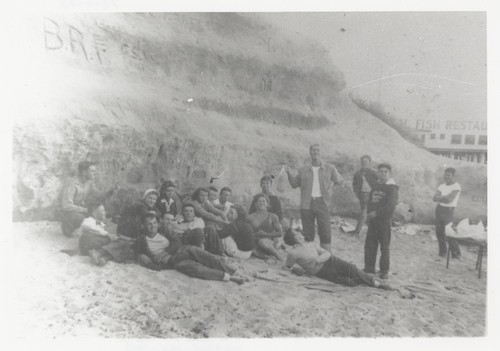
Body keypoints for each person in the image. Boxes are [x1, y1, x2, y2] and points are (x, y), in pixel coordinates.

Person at [136, 213, 247, 284]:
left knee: (205, 256)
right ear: (143, 226)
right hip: (172, 261)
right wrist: (149, 260)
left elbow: (176, 241)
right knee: (197, 269)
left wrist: (164, 252)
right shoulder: (142, 240)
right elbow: (138, 254)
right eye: (149, 224)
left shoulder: (164, 230)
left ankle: (234, 271)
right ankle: (230, 278)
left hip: (181, 250)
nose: (153, 226)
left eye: (155, 223)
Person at [284, 227, 390, 289]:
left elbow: (327, 253)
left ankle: (376, 284)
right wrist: (295, 269)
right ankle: (369, 280)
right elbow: (287, 267)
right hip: (320, 271)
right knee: (349, 282)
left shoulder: (310, 243)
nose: (299, 232)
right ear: (295, 237)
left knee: (351, 268)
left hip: (330, 261)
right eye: (296, 232)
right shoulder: (293, 253)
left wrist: (318, 259)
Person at [285, 144, 344, 253]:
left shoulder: (330, 168)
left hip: (322, 203)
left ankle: (327, 259)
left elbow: (339, 181)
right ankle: (310, 256)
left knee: (325, 231)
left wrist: (330, 189)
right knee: (308, 233)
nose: (315, 152)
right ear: (310, 152)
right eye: (313, 150)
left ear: (321, 153)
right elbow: (294, 184)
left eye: (317, 150)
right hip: (306, 204)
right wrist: (288, 173)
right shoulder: (303, 170)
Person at [363, 163, 399, 280]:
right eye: (381, 171)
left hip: (384, 221)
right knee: (370, 245)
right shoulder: (376, 186)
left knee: (384, 246)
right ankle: (369, 268)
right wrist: (369, 214)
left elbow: (390, 207)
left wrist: (377, 213)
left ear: (389, 174)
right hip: (373, 221)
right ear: (378, 173)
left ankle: (384, 271)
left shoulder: (392, 188)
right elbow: (370, 202)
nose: (383, 174)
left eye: (385, 172)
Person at [60, 161, 114, 237]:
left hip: (81, 210)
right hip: (70, 213)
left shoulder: (89, 183)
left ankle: (96, 228)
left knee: (99, 206)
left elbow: (98, 194)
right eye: (92, 171)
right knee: (82, 219)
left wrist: (110, 192)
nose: (94, 173)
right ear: (84, 172)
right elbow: (66, 206)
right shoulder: (72, 184)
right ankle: (71, 231)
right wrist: (85, 210)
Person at [77, 201, 136, 266]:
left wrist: (126, 239)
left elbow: (113, 235)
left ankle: (104, 258)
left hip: (94, 247)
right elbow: (87, 226)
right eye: (103, 211)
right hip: (86, 242)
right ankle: (98, 254)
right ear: (94, 213)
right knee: (116, 243)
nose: (105, 212)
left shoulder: (101, 224)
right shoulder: (89, 219)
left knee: (123, 244)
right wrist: (107, 234)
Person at [189, 187, 229, 255]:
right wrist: (223, 222)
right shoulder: (194, 203)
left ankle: (218, 249)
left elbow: (214, 210)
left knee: (213, 224)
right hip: (192, 226)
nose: (204, 198)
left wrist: (223, 215)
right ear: (197, 196)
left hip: (200, 223)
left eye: (206, 196)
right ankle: (218, 251)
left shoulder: (205, 202)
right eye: (202, 195)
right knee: (211, 226)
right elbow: (206, 214)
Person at [433, 167, 462, 259]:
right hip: (439, 210)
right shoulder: (441, 186)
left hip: (449, 211)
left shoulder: (456, 186)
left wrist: (440, 197)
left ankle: (456, 253)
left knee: (449, 232)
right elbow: (434, 198)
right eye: (445, 175)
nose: (446, 177)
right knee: (439, 232)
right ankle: (442, 252)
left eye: (448, 175)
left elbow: (449, 200)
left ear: (453, 176)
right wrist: (443, 197)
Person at [247, 193, 284, 261]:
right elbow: (246, 232)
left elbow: (280, 233)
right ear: (255, 204)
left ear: (267, 204)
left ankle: (278, 255)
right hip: (255, 242)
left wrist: (266, 235)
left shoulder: (273, 216)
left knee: (263, 242)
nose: (261, 203)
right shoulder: (250, 217)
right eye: (259, 201)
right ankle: (261, 254)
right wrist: (255, 235)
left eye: (263, 201)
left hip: (269, 242)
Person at [352, 155, 379, 235]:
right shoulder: (357, 173)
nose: (364, 163)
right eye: (363, 162)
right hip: (363, 195)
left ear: (369, 162)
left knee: (369, 213)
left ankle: (358, 231)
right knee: (364, 212)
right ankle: (357, 231)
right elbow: (355, 185)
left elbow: (380, 181)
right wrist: (357, 194)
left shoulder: (373, 172)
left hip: (373, 194)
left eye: (366, 161)